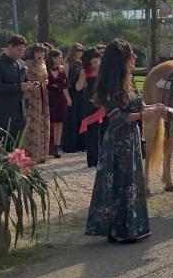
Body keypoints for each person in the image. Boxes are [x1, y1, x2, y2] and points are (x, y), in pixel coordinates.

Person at [85, 39, 167, 244]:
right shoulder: (109, 86)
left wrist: (153, 107)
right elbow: (118, 117)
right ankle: (118, 229)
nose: (134, 59)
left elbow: (136, 105)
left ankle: (130, 227)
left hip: (131, 139)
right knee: (120, 183)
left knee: (131, 182)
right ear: (122, 59)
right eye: (131, 56)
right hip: (117, 142)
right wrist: (145, 115)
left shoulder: (127, 82)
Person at [0, 35, 30, 149]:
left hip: (19, 110)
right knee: (3, 144)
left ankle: (16, 165)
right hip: (3, 111)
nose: (21, 54)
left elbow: (25, 80)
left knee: (17, 144)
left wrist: (30, 85)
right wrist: (19, 87)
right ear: (10, 47)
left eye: (23, 51)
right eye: (19, 50)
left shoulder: (20, 63)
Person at [22, 44, 51, 163]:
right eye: (38, 52)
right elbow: (25, 78)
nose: (40, 54)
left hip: (43, 94)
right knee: (33, 123)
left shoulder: (43, 63)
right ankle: (31, 154)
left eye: (42, 52)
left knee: (43, 121)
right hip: (33, 96)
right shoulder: (28, 64)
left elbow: (46, 77)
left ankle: (42, 154)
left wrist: (45, 82)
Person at [78, 47, 103, 168]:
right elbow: (78, 87)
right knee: (91, 132)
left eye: (97, 61)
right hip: (89, 103)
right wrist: (83, 75)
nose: (95, 64)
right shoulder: (86, 71)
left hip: (103, 103)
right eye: (92, 62)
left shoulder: (104, 70)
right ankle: (92, 160)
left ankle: (103, 159)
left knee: (103, 131)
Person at [61, 44, 86, 153]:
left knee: (80, 118)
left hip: (81, 94)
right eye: (77, 50)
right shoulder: (68, 64)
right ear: (73, 51)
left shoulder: (82, 64)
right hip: (71, 92)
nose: (80, 52)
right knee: (71, 119)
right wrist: (67, 97)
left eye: (82, 50)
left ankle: (81, 144)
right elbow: (64, 83)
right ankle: (70, 145)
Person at [46, 48, 70, 158]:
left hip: (60, 99)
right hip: (49, 99)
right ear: (53, 58)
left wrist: (68, 98)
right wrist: (53, 86)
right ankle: (47, 146)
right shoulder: (45, 70)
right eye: (59, 57)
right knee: (48, 122)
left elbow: (65, 86)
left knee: (59, 123)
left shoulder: (62, 71)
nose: (61, 59)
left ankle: (56, 146)